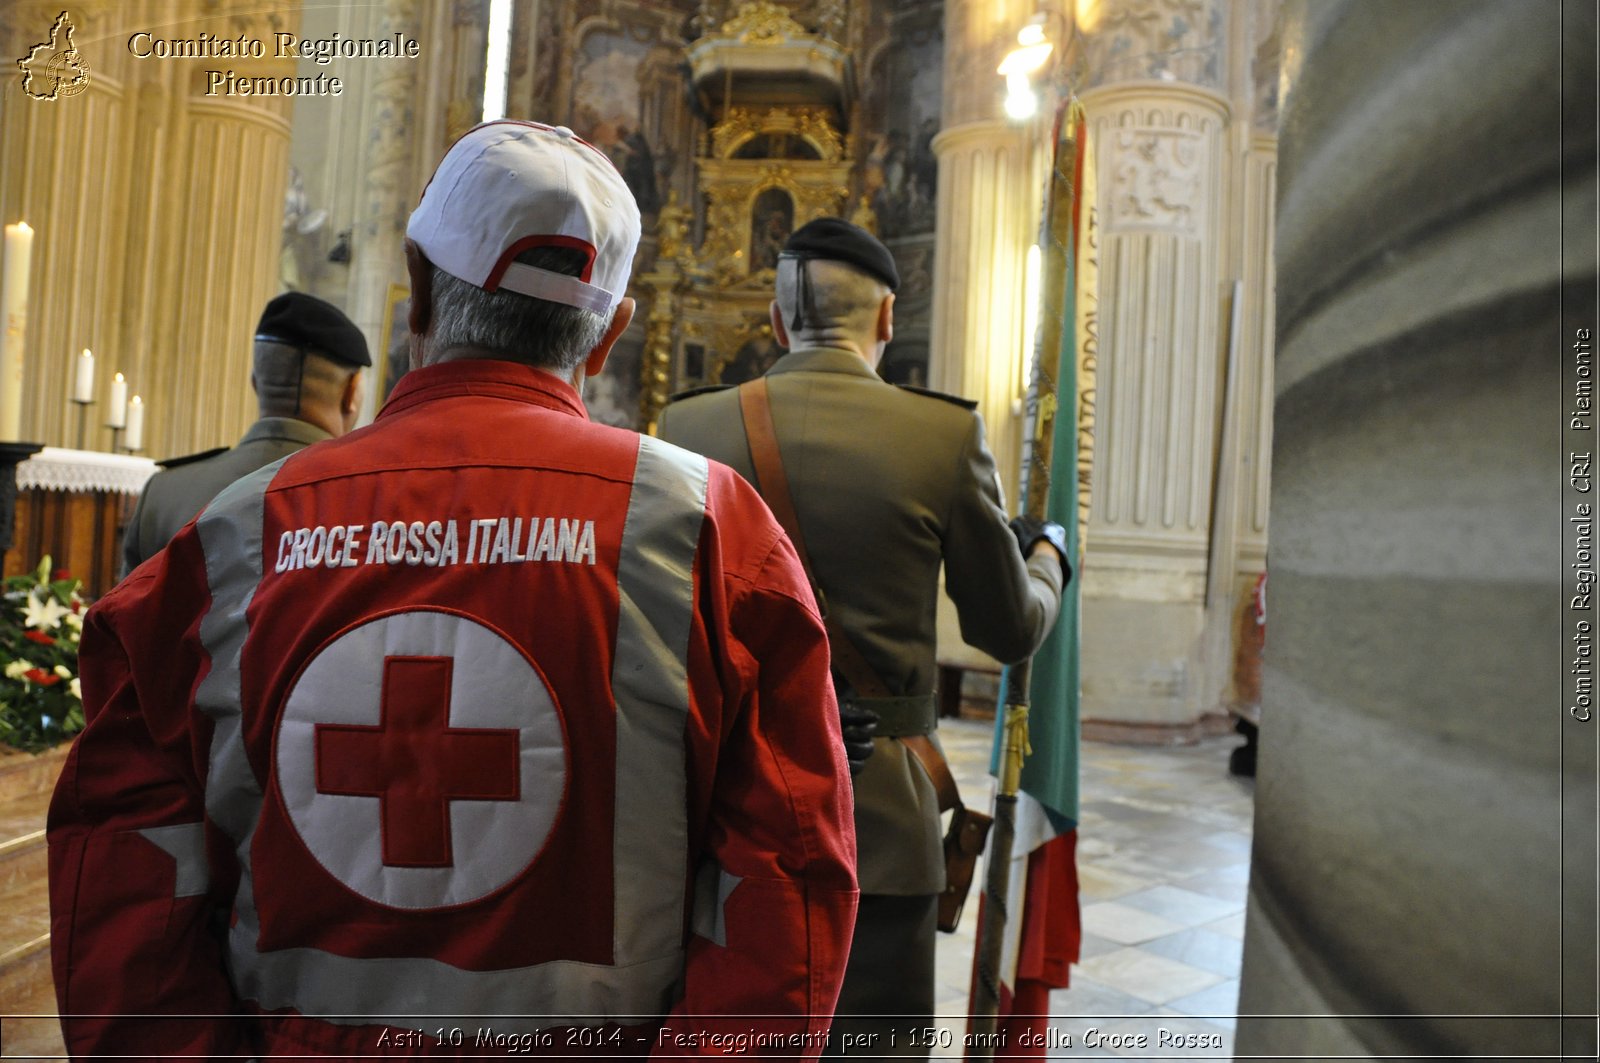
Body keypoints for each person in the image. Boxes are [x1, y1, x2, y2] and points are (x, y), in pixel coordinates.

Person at [50, 121, 857, 1058]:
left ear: (419, 288)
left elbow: (123, 879)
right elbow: (789, 880)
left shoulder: (229, 538)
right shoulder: (713, 532)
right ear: (609, 336)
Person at [658, 217, 1067, 1056]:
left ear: (776, 322)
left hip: (728, 804)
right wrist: (1049, 558)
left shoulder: (686, 432)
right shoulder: (941, 436)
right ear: (886, 320)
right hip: (876, 815)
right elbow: (1009, 628)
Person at [119, 291, 368, 575]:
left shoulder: (163, 494)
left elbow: (121, 616)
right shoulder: (368, 501)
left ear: (255, 382)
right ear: (351, 392)